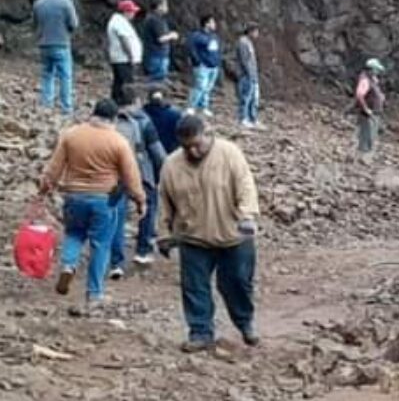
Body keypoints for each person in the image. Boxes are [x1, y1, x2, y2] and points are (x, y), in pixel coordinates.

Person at [158, 114, 262, 352]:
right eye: (187, 147)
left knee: (237, 283)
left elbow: (245, 186)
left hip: (233, 235)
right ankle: (200, 332)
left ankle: (245, 323)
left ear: (208, 133)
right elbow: (164, 200)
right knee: (194, 287)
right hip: (193, 237)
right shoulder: (172, 165)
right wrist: (164, 233)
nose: (193, 151)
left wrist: (247, 216)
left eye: (197, 144)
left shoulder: (229, 153)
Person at [38, 99, 144, 304]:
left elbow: (54, 168)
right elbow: (131, 176)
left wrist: (44, 189)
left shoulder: (71, 135)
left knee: (74, 234)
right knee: (101, 244)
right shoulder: (118, 141)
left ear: (92, 113)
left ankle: (69, 264)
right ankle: (94, 293)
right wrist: (140, 200)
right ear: (113, 119)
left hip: (74, 196)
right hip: (104, 199)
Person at [107, 91, 166, 273]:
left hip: (116, 176)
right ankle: (143, 250)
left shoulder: (111, 122)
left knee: (117, 216)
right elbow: (157, 152)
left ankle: (116, 261)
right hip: (141, 171)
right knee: (148, 207)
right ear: (136, 101)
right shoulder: (144, 121)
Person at [33, 0, 79, 115]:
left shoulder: (38, 3)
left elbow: (35, 24)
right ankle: (66, 107)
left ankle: (46, 104)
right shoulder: (66, 2)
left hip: (44, 44)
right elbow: (74, 24)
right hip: (61, 44)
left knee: (47, 74)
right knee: (65, 76)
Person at [105, 0, 144, 106]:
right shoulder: (119, 22)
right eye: (132, 11)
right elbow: (124, 40)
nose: (134, 14)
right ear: (126, 11)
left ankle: (115, 103)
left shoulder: (119, 21)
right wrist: (131, 56)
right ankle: (127, 104)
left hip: (120, 58)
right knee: (127, 83)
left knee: (118, 82)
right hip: (123, 59)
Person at [139, 0, 180, 84]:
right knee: (156, 82)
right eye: (165, 5)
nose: (167, 7)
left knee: (159, 81)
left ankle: (156, 96)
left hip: (160, 56)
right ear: (159, 6)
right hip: (156, 56)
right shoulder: (154, 20)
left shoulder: (160, 19)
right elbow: (161, 39)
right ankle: (154, 97)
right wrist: (172, 35)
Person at [188, 16, 224, 114]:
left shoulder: (214, 36)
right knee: (200, 86)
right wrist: (197, 61)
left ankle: (204, 107)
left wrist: (218, 61)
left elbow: (218, 50)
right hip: (202, 66)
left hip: (214, 66)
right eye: (212, 22)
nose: (214, 24)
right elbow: (191, 48)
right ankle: (191, 106)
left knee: (208, 88)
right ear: (206, 24)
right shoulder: (197, 36)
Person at [355, 58, 386, 156]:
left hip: (374, 112)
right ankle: (361, 157)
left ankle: (365, 157)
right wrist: (366, 109)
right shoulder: (365, 80)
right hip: (368, 114)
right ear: (372, 69)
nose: (377, 72)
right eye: (376, 70)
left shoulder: (372, 79)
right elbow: (360, 95)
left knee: (371, 136)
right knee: (366, 136)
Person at [234, 24, 261, 129]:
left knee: (254, 99)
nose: (257, 34)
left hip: (253, 75)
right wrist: (249, 74)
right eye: (256, 32)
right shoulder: (243, 42)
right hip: (246, 75)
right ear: (250, 31)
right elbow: (244, 60)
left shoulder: (249, 43)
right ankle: (243, 119)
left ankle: (252, 118)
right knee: (246, 98)